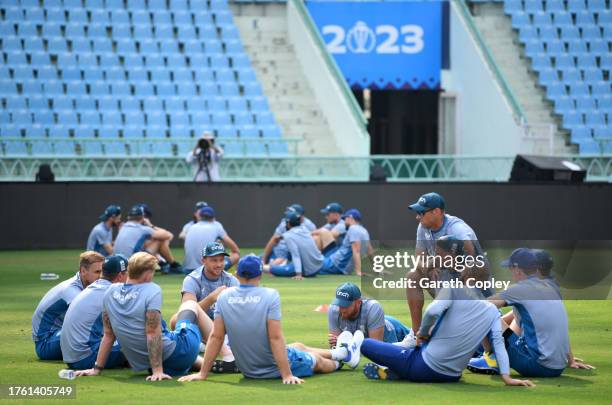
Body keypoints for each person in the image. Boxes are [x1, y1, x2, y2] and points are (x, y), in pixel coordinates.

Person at [178, 256, 364, 384]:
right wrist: (287, 374)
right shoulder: (270, 295)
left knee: (298, 346)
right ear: (260, 275)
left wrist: (203, 373)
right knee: (318, 362)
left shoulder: (224, 297)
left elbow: (216, 337)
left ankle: (341, 352)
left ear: (238, 275)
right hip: (272, 368)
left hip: (247, 369)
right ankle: (343, 359)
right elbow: (275, 338)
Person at [75, 252, 221, 380]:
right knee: (190, 306)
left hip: (149, 363)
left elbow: (108, 335)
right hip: (176, 356)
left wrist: (97, 368)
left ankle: (210, 363)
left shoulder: (110, 291)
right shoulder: (152, 289)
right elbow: (152, 332)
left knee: (170, 336)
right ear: (146, 273)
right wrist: (158, 371)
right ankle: (227, 355)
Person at [359, 284, 534, 387]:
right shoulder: (492, 312)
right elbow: (499, 345)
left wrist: (422, 333)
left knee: (366, 344)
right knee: (408, 353)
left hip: (421, 366)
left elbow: (431, 311)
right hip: (452, 376)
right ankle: (396, 371)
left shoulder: (452, 290)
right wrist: (507, 378)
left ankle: (399, 371)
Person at [469, 248, 591, 376]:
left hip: (537, 365)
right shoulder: (551, 287)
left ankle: (490, 359)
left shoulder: (519, 290)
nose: (510, 273)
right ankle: (491, 355)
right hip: (558, 367)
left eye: (510, 268)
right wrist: (570, 360)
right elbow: (558, 327)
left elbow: (480, 307)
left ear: (517, 269)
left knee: (485, 312)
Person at [405, 192, 489, 334]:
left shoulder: (457, 228)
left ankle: (474, 324)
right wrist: (428, 268)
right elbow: (419, 259)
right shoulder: (423, 227)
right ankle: (415, 334)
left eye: (421, 212)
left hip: (470, 285)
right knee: (412, 276)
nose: (417, 217)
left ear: (436, 211)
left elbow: (474, 260)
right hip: (444, 281)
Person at [32, 251, 104, 360]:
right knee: (90, 330)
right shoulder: (71, 290)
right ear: (83, 271)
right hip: (46, 343)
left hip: (59, 335)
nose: (101, 276)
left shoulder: (87, 286)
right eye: (97, 272)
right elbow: (86, 316)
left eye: (103, 272)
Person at [60, 255, 128, 370]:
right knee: (140, 340)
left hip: (71, 357)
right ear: (120, 276)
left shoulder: (93, 287)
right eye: (128, 273)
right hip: (86, 358)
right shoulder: (114, 292)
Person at [174, 242, 239, 323]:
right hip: (200, 326)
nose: (219, 264)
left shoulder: (231, 280)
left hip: (223, 326)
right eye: (214, 260)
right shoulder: (192, 280)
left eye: (221, 260)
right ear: (203, 261)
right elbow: (186, 313)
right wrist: (211, 298)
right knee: (175, 320)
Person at [327, 283, 410, 346]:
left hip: (393, 330)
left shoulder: (373, 307)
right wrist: (338, 343)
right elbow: (337, 348)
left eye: (346, 305)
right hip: (373, 324)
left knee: (419, 342)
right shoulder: (334, 309)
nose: (342, 309)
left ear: (358, 302)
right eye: (339, 304)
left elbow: (375, 347)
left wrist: (345, 342)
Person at [113, 205, 182, 274]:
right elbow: (169, 236)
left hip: (119, 265)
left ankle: (164, 264)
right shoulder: (143, 229)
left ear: (128, 217)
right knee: (160, 241)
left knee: (149, 241)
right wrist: (151, 225)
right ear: (143, 218)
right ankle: (173, 265)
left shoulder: (123, 226)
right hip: (132, 266)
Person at [264, 210, 324, 279]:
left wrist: (298, 274)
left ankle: (260, 267)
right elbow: (295, 236)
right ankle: (285, 265)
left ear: (288, 223)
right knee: (288, 254)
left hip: (307, 270)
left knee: (274, 269)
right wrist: (281, 237)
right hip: (319, 266)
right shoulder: (304, 228)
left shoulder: (288, 236)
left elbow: (295, 255)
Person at [183, 206, 240, 273]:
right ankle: (238, 273)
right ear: (213, 218)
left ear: (200, 217)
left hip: (188, 270)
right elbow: (235, 249)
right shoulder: (216, 226)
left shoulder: (191, 227)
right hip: (207, 270)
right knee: (236, 255)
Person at [317, 209, 372, 276]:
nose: (344, 222)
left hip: (333, 264)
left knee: (309, 264)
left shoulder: (353, 229)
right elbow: (370, 252)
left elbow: (356, 251)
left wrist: (358, 272)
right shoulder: (364, 231)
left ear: (350, 218)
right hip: (337, 265)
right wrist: (378, 269)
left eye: (345, 219)